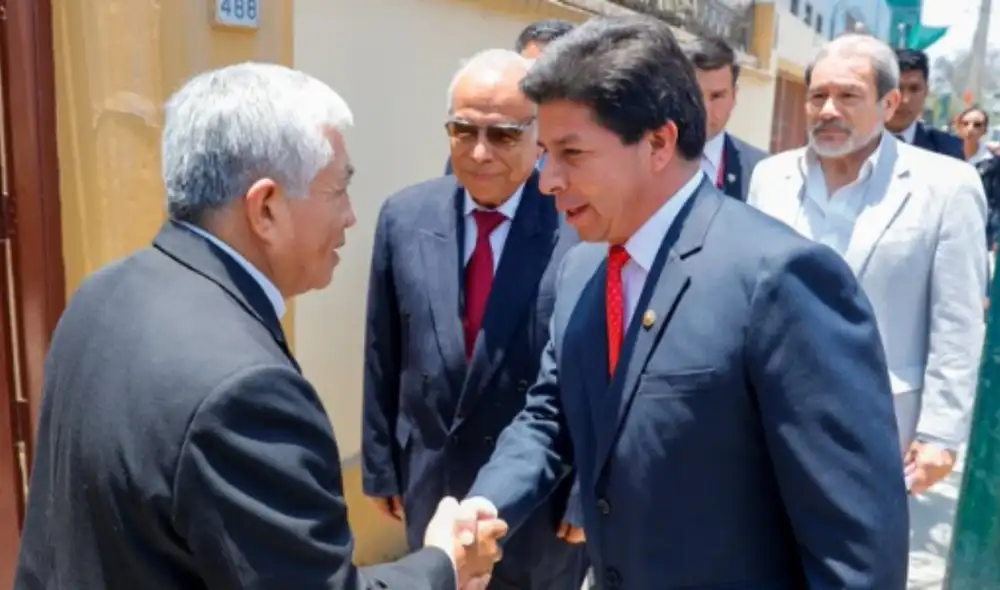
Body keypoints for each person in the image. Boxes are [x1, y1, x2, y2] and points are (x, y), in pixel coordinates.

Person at [14, 63, 506, 590]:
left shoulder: (103, 292)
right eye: (338, 190)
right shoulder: (245, 390)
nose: (350, 217)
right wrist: (444, 564)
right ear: (266, 208)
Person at [462, 16, 909, 589]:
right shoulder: (582, 267)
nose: (547, 179)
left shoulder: (781, 280)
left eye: (571, 153)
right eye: (545, 151)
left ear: (658, 142)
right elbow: (551, 415)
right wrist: (486, 504)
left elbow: (856, 546)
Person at [362, 49, 586, 590]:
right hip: (430, 486)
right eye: (463, 131)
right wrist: (380, 465)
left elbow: (597, 376)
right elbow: (383, 349)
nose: (480, 152)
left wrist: (583, 494)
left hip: (540, 508)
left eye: (504, 134)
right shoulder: (405, 216)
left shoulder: (580, 230)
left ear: (539, 136)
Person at [748, 34, 987, 496]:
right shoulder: (770, 178)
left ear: (889, 102)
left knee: (857, 565)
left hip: (882, 432)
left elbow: (957, 321)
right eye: (818, 95)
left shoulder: (946, 187)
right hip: (768, 421)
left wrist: (940, 434)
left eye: (849, 96)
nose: (829, 110)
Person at [444, 19, 575, 176]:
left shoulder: (589, 153)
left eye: (553, 74)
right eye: (531, 72)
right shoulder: (476, 150)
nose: (539, 85)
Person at [681, 35, 767, 200]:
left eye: (717, 96)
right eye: (694, 95)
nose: (704, 110)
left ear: (734, 96)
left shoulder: (762, 171)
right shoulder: (648, 159)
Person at [885, 48, 963, 159]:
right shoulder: (856, 144)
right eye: (898, 88)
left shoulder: (948, 149)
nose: (905, 100)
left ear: (926, 91)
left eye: (914, 89)